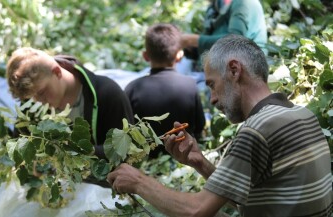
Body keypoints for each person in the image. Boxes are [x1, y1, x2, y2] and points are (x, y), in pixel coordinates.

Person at [107, 35, 332, 216]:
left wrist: (138, 181)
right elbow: (255, 201)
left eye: (213, 85)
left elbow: (197, 210)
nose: (213, 98)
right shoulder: (301, 114)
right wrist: (201, 163)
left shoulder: (258, 130)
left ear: (234, 70)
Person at [6, 47, 134, 158]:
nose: (38, 101)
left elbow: (125, 150)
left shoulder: (107, 93)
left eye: (41, 92)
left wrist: (77, 153)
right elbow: (20, 146)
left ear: (57, 72)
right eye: (30, 97)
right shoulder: (32, 103)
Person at [124, 23, 205, 158]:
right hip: (183, 158)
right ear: (179, 55)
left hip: (144, 159)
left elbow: (125, 134)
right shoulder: (190, 85)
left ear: (145, 56)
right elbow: (199, 127)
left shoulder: (132, 88)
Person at [180, 0, 267, 72]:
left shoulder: (243, 2)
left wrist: (192, 40)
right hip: (212, 67)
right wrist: (190, 47)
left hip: (243, 69)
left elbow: (235, 40)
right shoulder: (216, 5)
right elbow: (210, 39)